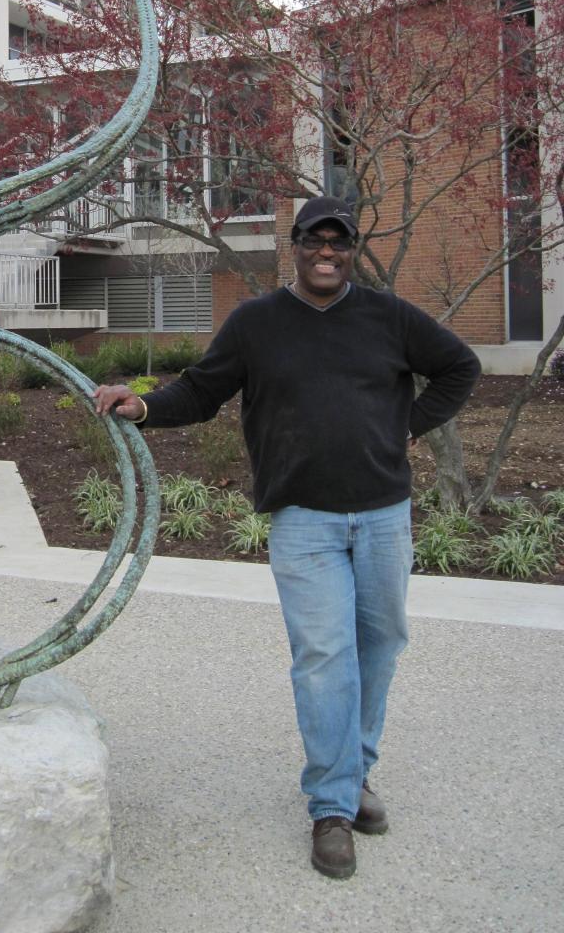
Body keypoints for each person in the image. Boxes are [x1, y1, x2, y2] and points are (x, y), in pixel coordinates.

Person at [94, 195, 480, 881]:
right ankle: (331, 807)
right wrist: (144, 404)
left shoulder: (389, 316)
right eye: (314, 241)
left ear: (352, 249)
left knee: (379, 645)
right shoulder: (256, 323)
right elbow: (202, 391)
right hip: (304, 520)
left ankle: (354, 770)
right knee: (325, 656)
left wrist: (407, 426)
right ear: (295, 246)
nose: (326, 252)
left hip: (384, 514)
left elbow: (460, 367)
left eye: (339, 242)